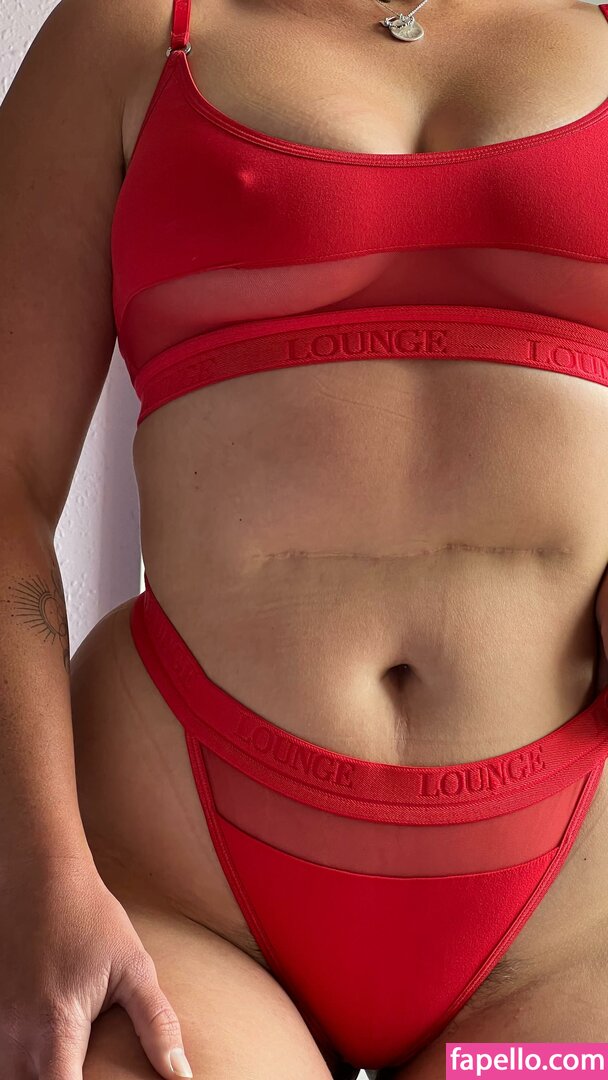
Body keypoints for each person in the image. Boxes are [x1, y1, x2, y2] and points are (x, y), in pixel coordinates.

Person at [1, 0, 608, 1076]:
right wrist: (30, 879)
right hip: (177, 883)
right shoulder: (135, 32)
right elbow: (5, 480)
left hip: (571, 913)